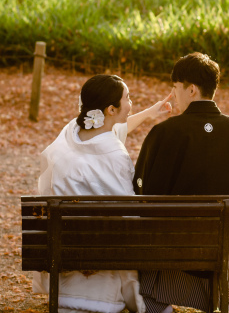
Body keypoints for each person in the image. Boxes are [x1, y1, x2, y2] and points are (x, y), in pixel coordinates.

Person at [34, 74, 172, 313]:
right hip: (104, 261)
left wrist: (151, 112)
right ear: (110, 109)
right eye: (127, 98)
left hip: (67, 248)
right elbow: (129, 212)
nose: (131, 103)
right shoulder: (114, 156)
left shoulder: (71, 132)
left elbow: (112, 130)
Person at [133, 53, 229, 313]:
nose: (173, 95)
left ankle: (159, 301)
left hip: (175, 249)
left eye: (175, 87)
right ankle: (223, 297)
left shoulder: (165, 132)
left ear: (191, 89)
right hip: (223, 249)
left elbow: (144, 193)